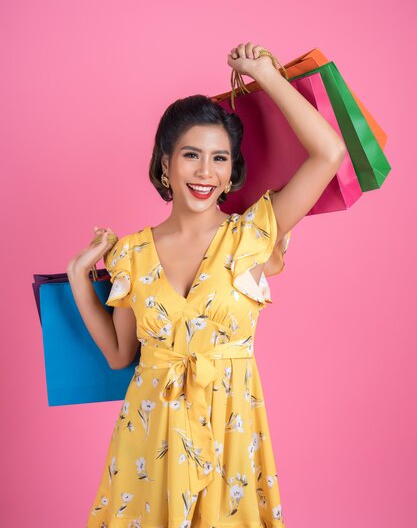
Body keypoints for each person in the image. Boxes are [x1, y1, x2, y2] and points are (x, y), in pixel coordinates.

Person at [67, 42, 346, 528]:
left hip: (230, 435)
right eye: (191, 155)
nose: (205, 172)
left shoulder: (254, 234)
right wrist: (77, 279)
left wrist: (263, 74)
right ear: (165, 163)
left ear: (232, 169)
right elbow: (118, 355)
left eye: (220, 159)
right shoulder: (131, 252)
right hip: (150, 440)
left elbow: (330, 152)